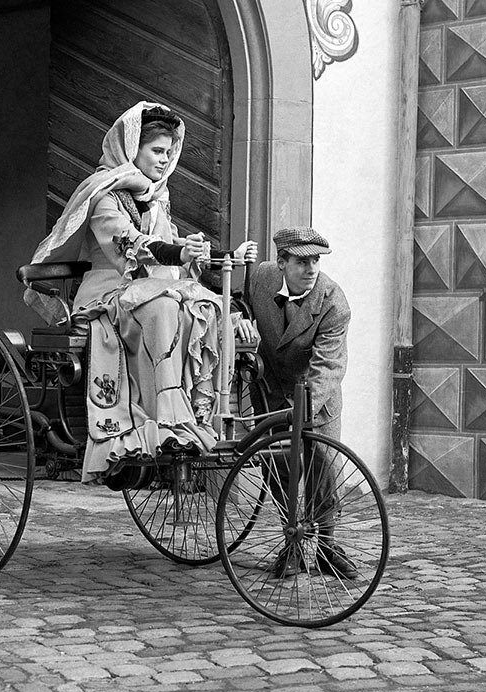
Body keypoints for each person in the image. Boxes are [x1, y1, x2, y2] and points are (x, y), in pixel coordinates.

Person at [25, 101, 255, 485]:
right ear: (132, 150)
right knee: (165, 305)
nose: (165, 160)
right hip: (108, 292)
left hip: (150, 288)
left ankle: (203, 412)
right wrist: (177, 252)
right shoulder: (104, 196)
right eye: (157, 151)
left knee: (204, 307)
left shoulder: (157, 197)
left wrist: (218, 254)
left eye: (169, 152)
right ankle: (163, 419)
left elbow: (171, 245)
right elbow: (131, 246)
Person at [247, 226, 357, 579]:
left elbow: (328, 366)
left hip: (316, 399)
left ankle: (326, 546)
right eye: (301, 261)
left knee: (321, 468)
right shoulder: (262, 277)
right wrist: (237, 318)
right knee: (278, 469)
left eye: (315, 261)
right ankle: (291, 544)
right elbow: (231, 293)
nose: (311, 269)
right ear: (281, 263)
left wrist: (303, 410)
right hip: (271, 392)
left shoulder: (333, 303)